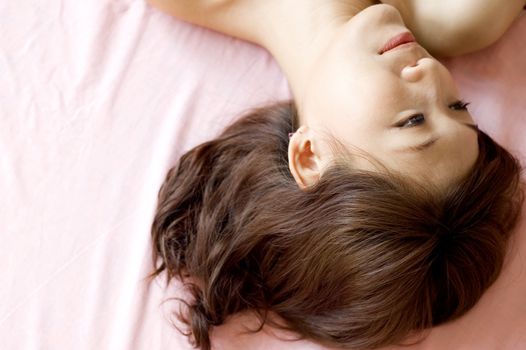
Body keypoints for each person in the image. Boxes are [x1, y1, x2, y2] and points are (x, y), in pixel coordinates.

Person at [148, 1, 525, 349]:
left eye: (412, 121)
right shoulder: (463, 16)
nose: (429, 72)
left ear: (310, 157)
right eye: (458, 105)